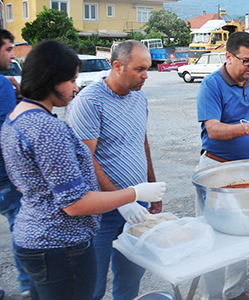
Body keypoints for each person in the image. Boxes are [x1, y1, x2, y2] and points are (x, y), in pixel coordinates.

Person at [0, 40, 165, 300]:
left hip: (36, 237)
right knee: (90, 291)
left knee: (129, 276)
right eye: (72, 80)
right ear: (50, 79)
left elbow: (27, 184)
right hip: (61, 242)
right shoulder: (48, 128)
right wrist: (131, 195)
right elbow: (74, 203)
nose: (76, 88)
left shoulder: (16, 119)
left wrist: (145, 188)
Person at [66, 40, 162, 300]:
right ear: (117, 66)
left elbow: (141, 141)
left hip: (138, 201)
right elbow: (86, 158)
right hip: (102, 209)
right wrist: (121, 201)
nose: (146, 76)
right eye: (140, 69)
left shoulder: (139, 97)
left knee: (131, 276)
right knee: (92, 283)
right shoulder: (89, 102)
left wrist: (151, 187)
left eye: (148, 69)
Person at [196, 31, 249, 300]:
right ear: (228, 56)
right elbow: (212, 129)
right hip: (216, 169)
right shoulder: (211, 85)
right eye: (246, 61)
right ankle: (212, 297)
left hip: (248, 168)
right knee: (212, 238)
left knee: (241, 232)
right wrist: (242, 130)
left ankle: (234, 292)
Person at [0, 29, 30, 297]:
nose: (13, 54)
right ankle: (28, 289)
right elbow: (9, 133)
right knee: (21, 232)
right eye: (8, 49)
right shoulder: (2, 85)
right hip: (5, 178)